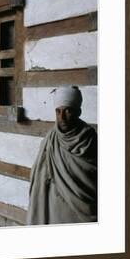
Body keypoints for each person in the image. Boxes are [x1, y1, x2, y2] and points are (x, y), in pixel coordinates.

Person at [27, 85, 98, 225]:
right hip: (53, 204)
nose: (62, 117)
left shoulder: (89, 138)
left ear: (78, 112)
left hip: (80, 212)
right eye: (58, 111)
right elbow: (39, 175)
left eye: (68, 111)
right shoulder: (51, 138)